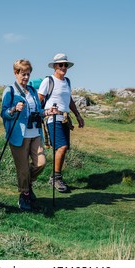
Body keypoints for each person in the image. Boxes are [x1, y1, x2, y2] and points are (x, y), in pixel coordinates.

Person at [0, 59, 46, 211]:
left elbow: (38, 111)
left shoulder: (32, 91)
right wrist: (14, 109)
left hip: (35, 133)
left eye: (28, 74)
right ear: (16, 73)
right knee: (23, 169)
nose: (26, 77)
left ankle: (26, 185)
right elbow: (4, 113)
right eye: (23, 74)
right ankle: (24, 194)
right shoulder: (10, 91)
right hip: (18, 135)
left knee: (41, 163)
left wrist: (46, 112)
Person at [38, 53, 85, 193]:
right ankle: (55, 178)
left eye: (65, 65)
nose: (63, 67)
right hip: (52, 119)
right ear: (54, 66)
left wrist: (78, 115)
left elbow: (69, 100)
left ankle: (55, 176)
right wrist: (41, 114)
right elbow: (38, 99)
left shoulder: (67, 82)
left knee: (63, 148)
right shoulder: (48, 81)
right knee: (62, 147)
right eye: (60, 65)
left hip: (65, 119)